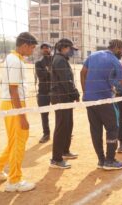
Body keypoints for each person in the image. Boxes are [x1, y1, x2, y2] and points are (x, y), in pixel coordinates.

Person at [81, 40, 122, 170]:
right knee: (113, 129)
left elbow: (82, 73)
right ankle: (110, 160)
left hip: (90, 100)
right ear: (117, 48)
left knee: (95, 130)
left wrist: (85, 93)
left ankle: (101, 160)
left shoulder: (93, 55)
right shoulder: (115, 62)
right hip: (105, 100)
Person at [0, 32, 37, 192]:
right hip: (14, 105)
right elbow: (13, 89)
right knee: (18, 142)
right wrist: (22, 116)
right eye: (32, 48)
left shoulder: (15, 59)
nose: (33, 51)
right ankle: (14, 181)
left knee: (15, 141)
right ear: (24, 45)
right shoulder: (14, 61)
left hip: (12, 104)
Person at [50, 38, 80, 169]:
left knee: (68, 124)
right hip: (61, 97)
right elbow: (66, 81)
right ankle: (56, 159)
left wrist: (72, 94)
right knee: (62, 126)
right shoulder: (59, 60)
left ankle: (65, 151)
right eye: (70, 49)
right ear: (63, 48)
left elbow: (68, 81)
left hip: (65, 97)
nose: (72, 52)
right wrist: (75, 93)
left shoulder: (62, 60)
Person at [35, 43, 52, 143]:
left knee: (60, 112)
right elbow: (41, 76)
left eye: (47, 48)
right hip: (43, 91)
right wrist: (50, 72)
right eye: (43, 48)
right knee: (44, 114)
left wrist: (48, 71)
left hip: (55, 91)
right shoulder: (38, 62)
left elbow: (58, 74)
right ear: (41, 50)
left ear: (50, 49)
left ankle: (63, 131)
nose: (45, 50)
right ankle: (46, 134)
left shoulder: (55, 60)